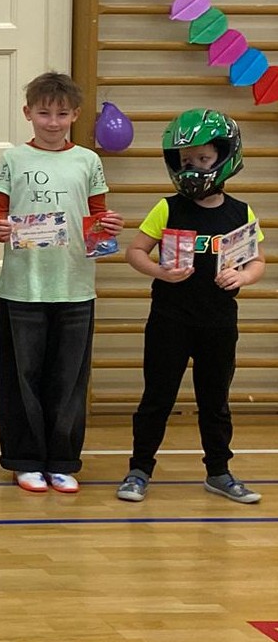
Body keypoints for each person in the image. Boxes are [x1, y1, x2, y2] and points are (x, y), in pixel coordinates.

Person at [117, 110, 263, 505]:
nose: (194, 167)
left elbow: (257, 261)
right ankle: (139, 470)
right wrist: (159, 272)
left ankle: (219, 472)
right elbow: (135, 251)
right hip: (170, 320)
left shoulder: (240, 212)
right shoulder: (167, 208)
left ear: (224, 157)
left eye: (203, 158)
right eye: (186, 160)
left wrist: (243, 277)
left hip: (218, 322)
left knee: (214, 401)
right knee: (157, 398)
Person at [0, 72, 121, 494]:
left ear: (75, 115)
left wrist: (108, 225)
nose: (53, 122)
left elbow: (98, 213)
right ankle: (24, 460)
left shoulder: (88, 161)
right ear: (28, 113)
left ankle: (62, 460)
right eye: (44, 113)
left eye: (62, 114)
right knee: (21, 377)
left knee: (68, 378)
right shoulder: (12, 159)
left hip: (74, 284)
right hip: (22, 285)